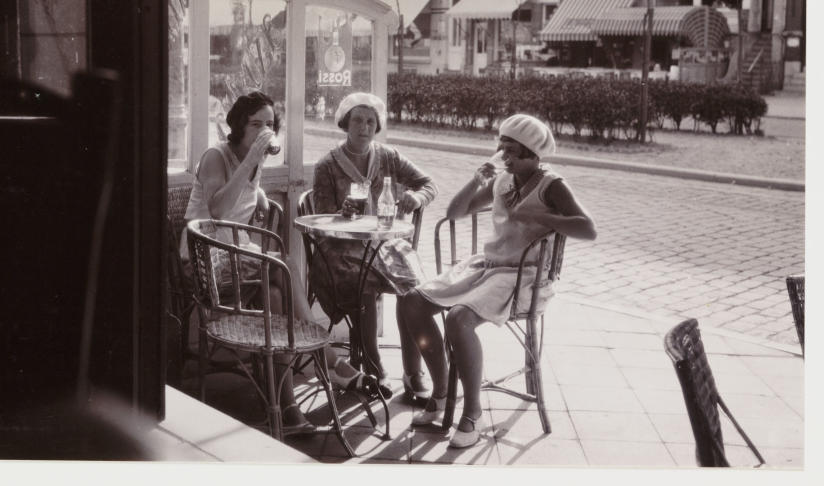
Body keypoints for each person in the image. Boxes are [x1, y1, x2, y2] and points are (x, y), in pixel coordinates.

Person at [397, 114, 596, 448]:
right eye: (501, 147)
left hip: (526, 276)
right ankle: (443, 391)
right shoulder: (504, 180)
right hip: (490, 267)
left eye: (512, 150)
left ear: (532, 152)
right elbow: (455, 213)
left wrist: (542, 216)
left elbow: (588, 229)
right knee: (411, 301)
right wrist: (476, 181)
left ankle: (472, 413)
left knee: (459, 318)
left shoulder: (552, 185)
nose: (504, 155)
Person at [181, 91, 365, 435]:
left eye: (269, 124)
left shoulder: (255, 160)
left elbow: (243, 197)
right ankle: (327, 357)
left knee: (278, 302)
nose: (263, 130)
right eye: (255, 124)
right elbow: (218, 209)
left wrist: (261, 193)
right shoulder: (215, 156)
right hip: (205, 259)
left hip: (236, 255)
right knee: (285, 265)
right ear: (238, 126)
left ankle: (286, 409)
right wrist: (251, 160)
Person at [310, 92, 438, 400]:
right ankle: (373, 365)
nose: (364, 127)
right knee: (363, 286)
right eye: (357, 120)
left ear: (377, 125)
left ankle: (412, 370)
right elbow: (321, 223)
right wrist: (341, 215)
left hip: (384, 246)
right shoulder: (327, 165)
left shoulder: (388, 157)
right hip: (341, 250)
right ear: (345, 123)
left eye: (371, 121)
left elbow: (428, 184)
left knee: (413, 291)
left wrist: (417, 197)